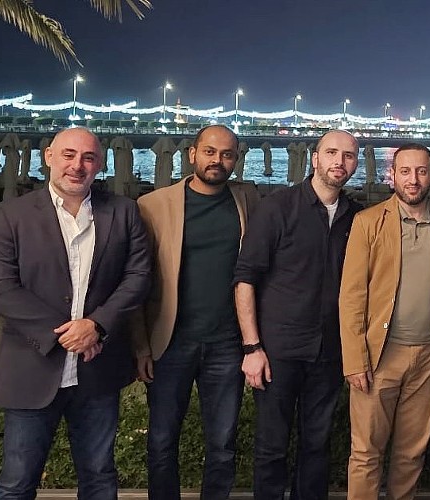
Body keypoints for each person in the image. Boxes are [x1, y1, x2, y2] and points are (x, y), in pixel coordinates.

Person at [0, 127, 151, 499]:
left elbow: (138, 277)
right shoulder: (10, 215)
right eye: (69, 155)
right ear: (49, 157)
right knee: (16, 483)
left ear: (100, 164)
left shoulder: (123, 212)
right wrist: (66, 333)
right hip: (31, 368)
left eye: (88, 157)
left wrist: (97, 326)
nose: (78, 165)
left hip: (98, 372)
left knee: (100, 478)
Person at [132, 124, 260, 500]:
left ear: (236, 160)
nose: (217, 160)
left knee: (222, 446)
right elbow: (138, 281)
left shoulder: (248, 201)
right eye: (209, 152)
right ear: (192, 154)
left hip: (227, 344)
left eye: (226, 154)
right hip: (170, 343)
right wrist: (141, 347)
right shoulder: (154, 206)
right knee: (160, 442)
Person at [233, 130, 362, 499]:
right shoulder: (278, 207)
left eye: (349, 156)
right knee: (271, 447)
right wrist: (251, 347)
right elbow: (245, 279)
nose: (340, 161)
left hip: (330, 351)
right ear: (315, 157)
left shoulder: (356, 217)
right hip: (278, 349)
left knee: (317, 446)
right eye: (332, 153)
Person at [339, 143, 430, 499]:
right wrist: (354, 360)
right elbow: (351, 297)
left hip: (429, 355)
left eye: (421, 171)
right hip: (379, 356)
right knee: (366, 452)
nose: (413, 180)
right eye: (405, 172)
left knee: (411, 453)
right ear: (391, 175)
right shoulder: (368, 222)